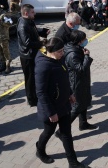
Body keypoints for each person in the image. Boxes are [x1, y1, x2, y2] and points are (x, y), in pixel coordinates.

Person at [34, 37, 86, 167]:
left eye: (63, 50)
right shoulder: (43, 66)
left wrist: (69, 93)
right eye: (60, 51)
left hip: (63, 104)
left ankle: (73, 162)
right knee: (48, 132)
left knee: (66, 134)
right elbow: (41, 92)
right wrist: (51, 113)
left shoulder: (58, 59)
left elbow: (63, 79)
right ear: (51, 51)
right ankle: (40, 150)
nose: (63, 53)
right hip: (51, 108)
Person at [17, 4, 50, 107]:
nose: (34, 13)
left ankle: (37, 95)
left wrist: (43, 31)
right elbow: (27, 43)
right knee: (30, 79)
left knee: (35, 77)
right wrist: (42, 43)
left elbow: (34, 30)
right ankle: (32, 100)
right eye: (32, 12)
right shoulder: (23, 25)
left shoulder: (29, 21)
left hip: (33, 54)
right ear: (26, 13)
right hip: (28, 56)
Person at [63, 30, 97, 130]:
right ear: (78, 41)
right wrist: (87, 56)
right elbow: (80, 69)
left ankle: (83, 123)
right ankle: (62, 130)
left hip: (81, 81)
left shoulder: (76, 48)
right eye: (84, 39)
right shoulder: (72, 54)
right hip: (76, 83)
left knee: (84, 103)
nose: (86, 41)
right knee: (77, 107)